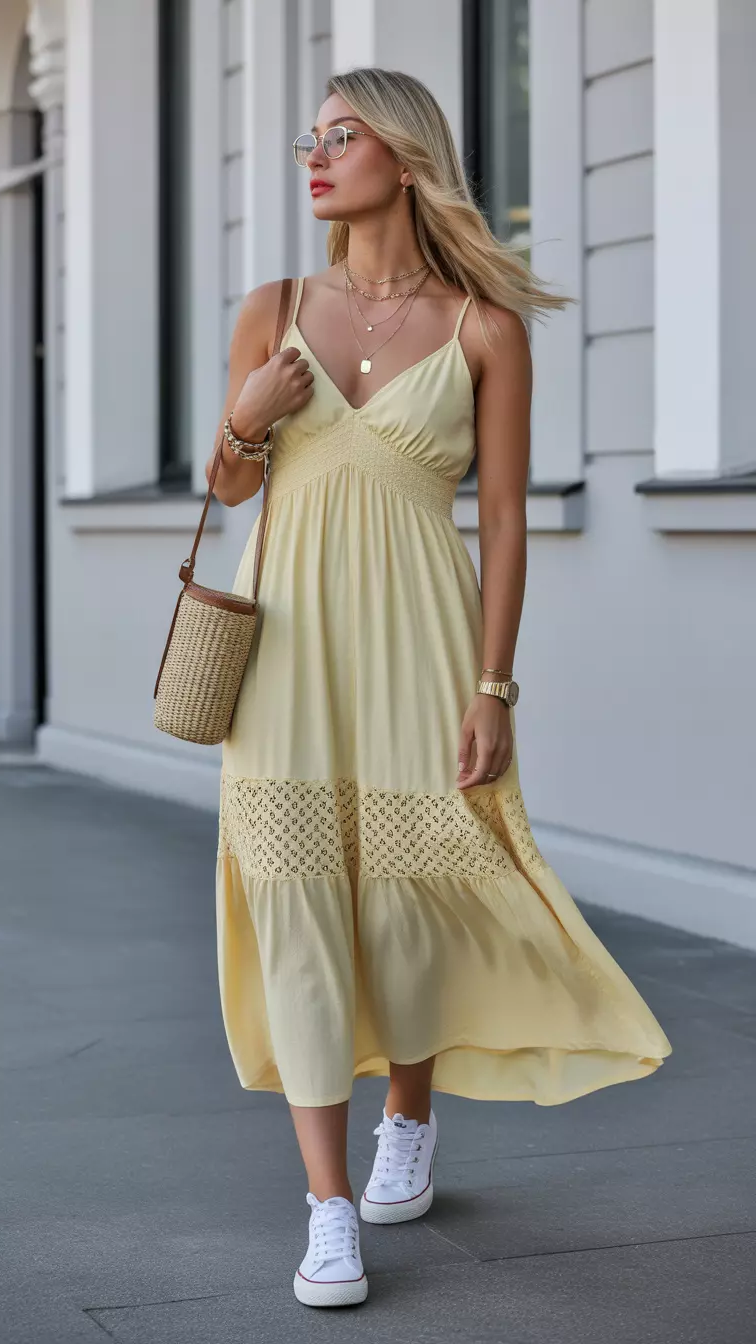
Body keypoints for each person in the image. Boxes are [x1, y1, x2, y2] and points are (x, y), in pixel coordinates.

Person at [206, 67, 672, 1309]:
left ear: (404, 158)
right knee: (299, 897)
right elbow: (230, 485)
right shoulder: (274, 306)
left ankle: (406, 1120)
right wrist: (250, 413)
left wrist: (494, 688)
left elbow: (507, 524)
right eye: (310, 138)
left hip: (420, 634)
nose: (314, 156)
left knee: (410, 894)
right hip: (285, 643)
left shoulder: (482, 329)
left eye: (339, 137)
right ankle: (327, 1208)